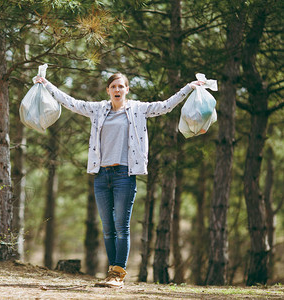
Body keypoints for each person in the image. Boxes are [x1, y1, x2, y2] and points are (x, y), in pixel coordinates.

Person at [35, 73, 202, 288]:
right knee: (107, 228)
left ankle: (117, 274)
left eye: (121, 86)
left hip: (125, 175)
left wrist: (190, 86)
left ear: (127, 90)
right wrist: (46, 84)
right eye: (113, 86)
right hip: (102, 175)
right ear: (108, 90)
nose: (117, 89)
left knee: (121, 227)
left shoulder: (138, 109)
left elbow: (166, 105)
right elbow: (71, 103)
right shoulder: (98, 110)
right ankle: (112, 272)